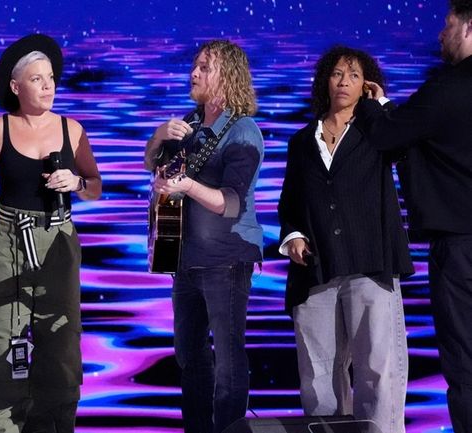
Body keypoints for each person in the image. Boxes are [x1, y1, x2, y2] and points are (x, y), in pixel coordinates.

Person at [0, 34, 101, 433]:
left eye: (51, 77)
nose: (48, 85)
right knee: (3, 334)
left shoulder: (73, 129)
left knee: (61, 335)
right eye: (37, 79)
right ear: (16, 87)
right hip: (9, 239)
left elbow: (95, 185)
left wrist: (77, 183)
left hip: (58, 241)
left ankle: (54, 424)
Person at [277, 46, 414, 433]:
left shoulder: (376, 131)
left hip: (370, 262)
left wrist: (380, 104)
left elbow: (403, 144)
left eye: (354, 76)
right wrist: (294, 235)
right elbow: (290, 204)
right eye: (337, 74)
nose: (343, 82)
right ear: (325, 80)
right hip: (316, 268)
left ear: (366, 85)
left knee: (377, 368)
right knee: (318, 373)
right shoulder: (301, 142)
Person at [356, 1, 472, 430]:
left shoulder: (448, 87)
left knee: (464, 363)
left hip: (460, 246)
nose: (441, 33)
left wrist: (371, 107)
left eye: (448, 24)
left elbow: (390, 135)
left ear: (468, 27)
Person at [144, 40, 264, 433]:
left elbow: (230, 202)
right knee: (189, 356)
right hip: (186, 258)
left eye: (204, 68)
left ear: (227, 77)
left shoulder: (243, 132)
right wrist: (160, 136)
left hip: (226, 260)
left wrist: (187, 187)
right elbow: (152, 163)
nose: (193, 73)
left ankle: (230, 429)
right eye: (194, 66)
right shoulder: (191, 125)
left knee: (228, 359)